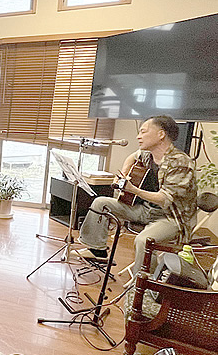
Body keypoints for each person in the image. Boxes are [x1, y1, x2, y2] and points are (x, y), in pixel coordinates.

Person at [78, 115, 197, 276]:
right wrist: (123, 174)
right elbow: (133, 156)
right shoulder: (148, 154)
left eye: (143, 132)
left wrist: (134, 190)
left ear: (161, 135)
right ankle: (97, 251)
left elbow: (165, 199)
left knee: (143, 241)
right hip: (146, 210)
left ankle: (143, 287)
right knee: (101, 203)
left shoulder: (180, 162)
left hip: (172, 219)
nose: (138, 136)